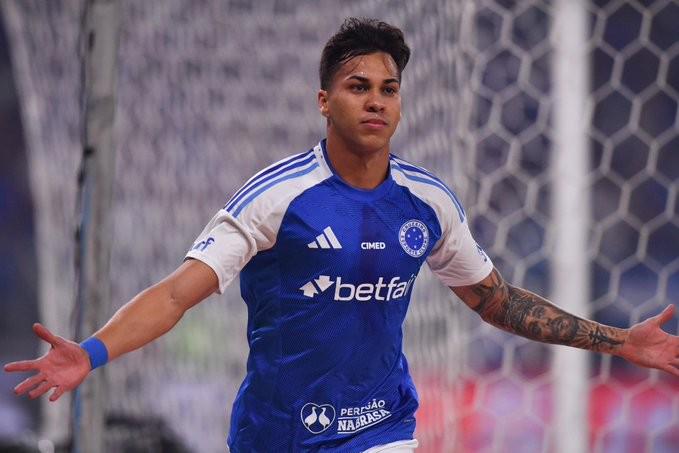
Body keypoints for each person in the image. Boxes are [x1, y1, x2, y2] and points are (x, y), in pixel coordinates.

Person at [5, 17, 679, 453]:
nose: (377, 100)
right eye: (359, 86)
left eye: (389, 87)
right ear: (324, 101)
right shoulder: (276, 197)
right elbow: (179, 293)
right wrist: (91, 352)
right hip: (274, 433)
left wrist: (620, 341)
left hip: (381, 427)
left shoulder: (427, 203)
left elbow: (496, 300)